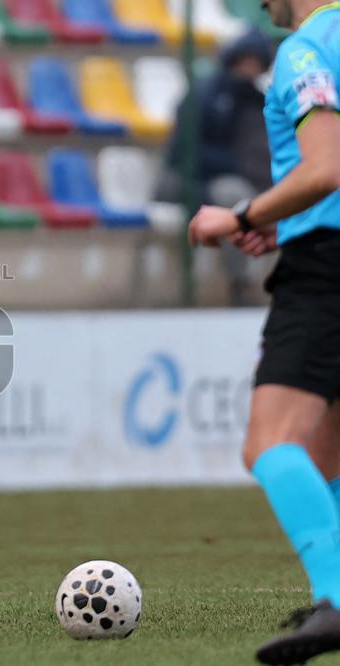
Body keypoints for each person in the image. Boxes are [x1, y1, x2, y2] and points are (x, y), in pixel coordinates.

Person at [188, 1, 340, 662]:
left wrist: (242, 213)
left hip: (327, 270)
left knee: (270, 444)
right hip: (321, 239)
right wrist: (290, 217)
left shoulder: (305, 51)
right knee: (330, 451)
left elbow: (326, 167)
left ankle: (338, 599)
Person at [165, 28, 274, 305]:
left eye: (256, 64)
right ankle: (241, 283)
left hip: (243, 177)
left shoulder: (256, 100)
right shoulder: (204, 93)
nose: (249, 69)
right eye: (245, 61)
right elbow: (181, 152)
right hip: (186, 178)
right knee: (236, 198)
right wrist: (235, 164)